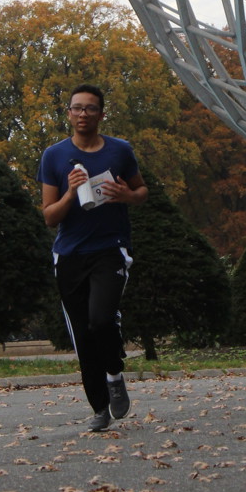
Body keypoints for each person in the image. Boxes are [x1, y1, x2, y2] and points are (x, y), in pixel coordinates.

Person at [39, 84, 148, 431]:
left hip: (110, 249)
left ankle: (114, 373)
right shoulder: (54, 156)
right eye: (77, 108)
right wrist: (71, 192)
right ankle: (99, 407)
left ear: (102, 114)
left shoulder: (120, 150)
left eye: (90, 108)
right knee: (84, 337)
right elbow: (50, 216)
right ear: (69, 113)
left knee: (101, 320)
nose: (83, 114)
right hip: (70, 254)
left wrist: (127, 195)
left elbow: (142, 191)